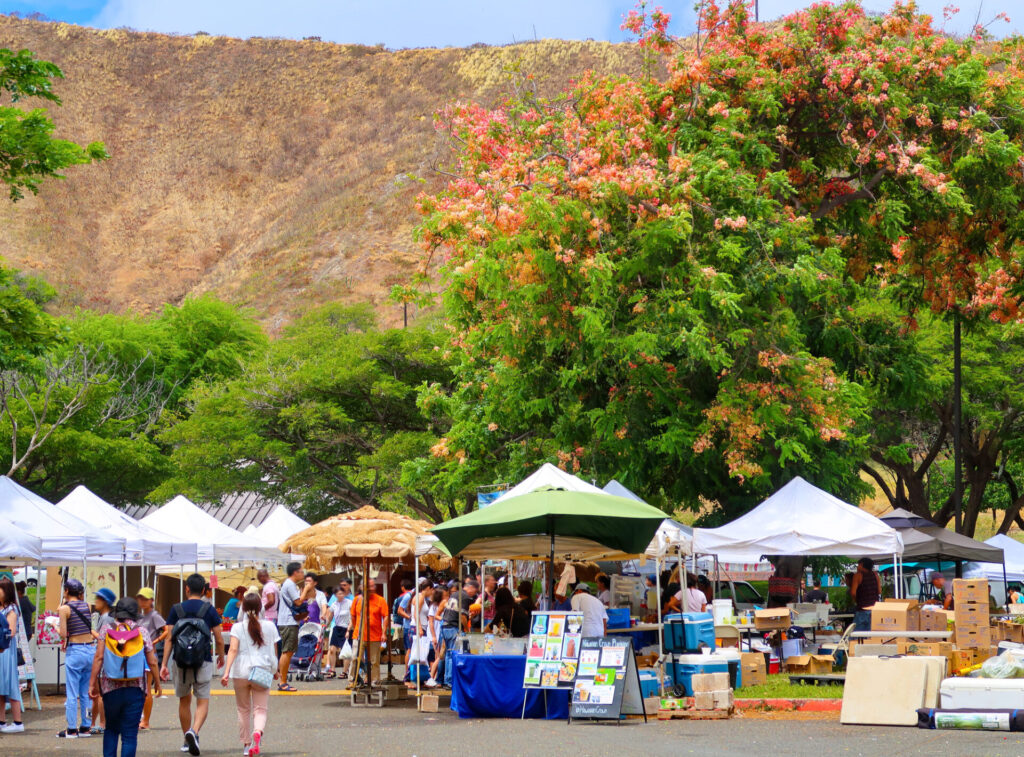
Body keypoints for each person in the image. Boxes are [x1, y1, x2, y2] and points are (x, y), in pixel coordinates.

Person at [161, 572, 225, 756]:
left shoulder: (176, 609)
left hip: (180, 661)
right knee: (202, 701)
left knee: (184, 700)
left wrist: (164, 663)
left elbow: (169, 639)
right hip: (202, 660)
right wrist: (221, 656)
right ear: (204, 590)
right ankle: (194, 733)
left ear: (187, 589)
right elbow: (219, 638)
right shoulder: (209, 609)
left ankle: (185, 739)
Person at [89, 597, 161, 757]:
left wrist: (92, 683)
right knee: (129, 734)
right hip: (135, 689)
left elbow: (99, 658)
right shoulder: (142, 631)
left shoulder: (106, 630)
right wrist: (157, 683)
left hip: (110, 688)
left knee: (112, 729)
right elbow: (152, 661)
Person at [221, 593, 279, 757]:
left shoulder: (237, 627)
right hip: (262, 670)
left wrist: (226, 672)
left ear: (243, 608)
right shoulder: (269, 626)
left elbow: (232, 650)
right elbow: (273, 652)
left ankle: (246, 745)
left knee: (243, 709)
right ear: (261, 608)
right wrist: (276, 671)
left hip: (240, 671)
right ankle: (258, 732)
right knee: (260, 709)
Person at [58, 578, 95, 738]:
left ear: (66, 591)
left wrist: (54, 625)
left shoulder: (64, 609)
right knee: (87, 692)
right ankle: (86, 727)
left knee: (72, 693)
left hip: (75, 651)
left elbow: (64, 633)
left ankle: (71, 729)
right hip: (90, 650)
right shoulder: (87, 605)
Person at [275, 562, 312, 693]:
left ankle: (283, 681)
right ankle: (283, 682)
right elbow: (298, 601)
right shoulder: (290, 584)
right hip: (288, 622)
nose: (303, 574)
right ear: (295, 572)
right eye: (301, 571)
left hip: (288, 621)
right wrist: (306, 590)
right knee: (287, 651)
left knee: (288, 651)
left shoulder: (289, 584)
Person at [135, 588, 167, 731]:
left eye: (145, 599)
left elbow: (166, 630)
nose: (142, 601)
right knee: (139, 688)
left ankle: (146, 721)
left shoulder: (154, 615)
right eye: (140, 598)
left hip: (149, 654)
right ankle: (140, 718)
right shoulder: (140, 617)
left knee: (147, 687)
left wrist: (154, 642)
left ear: (151, 600)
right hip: (138, 653)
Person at [347, 577, 389, 686]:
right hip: (359, 635)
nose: (371, 588)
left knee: (374, 661)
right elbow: (353, 615)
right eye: (368, 586)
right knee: (355, 658)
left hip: (375, 636)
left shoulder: (380, 600)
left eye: (372, 586)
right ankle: (353, 680)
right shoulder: (357, 600)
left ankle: (374, 680)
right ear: (362, 587)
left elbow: (386, 616)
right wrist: (357, 626)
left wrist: (384, 632)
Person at [0, 577, 24, 734]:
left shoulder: (11, 609)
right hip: (2, 650)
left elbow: (11, 632)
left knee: (10, 684)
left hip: (6, 651)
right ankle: (1, 721)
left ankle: (17, 722)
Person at [323, 581, 353, 679]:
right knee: (332, 650)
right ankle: (332, 670)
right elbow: (330, 616)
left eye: (342, 593)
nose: (340, 595)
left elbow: (353, 617)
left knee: (345, 651)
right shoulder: (334, 604)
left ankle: (344, 672)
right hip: (337, 628)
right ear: (335, 595)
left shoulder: (349, 603)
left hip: (346, 628)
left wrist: (349, 629)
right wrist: (325, 625)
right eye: (338, 594)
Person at [850, 557, 881, 633]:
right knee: (871, 636)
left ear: (862, 565)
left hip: (862, 610)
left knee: (858, 636)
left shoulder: (858, 576)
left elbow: (853, 592)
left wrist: (856, 600)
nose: (857, 567)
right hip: (874, 609)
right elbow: (880, 591)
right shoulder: (875, 574)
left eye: (858, 565)